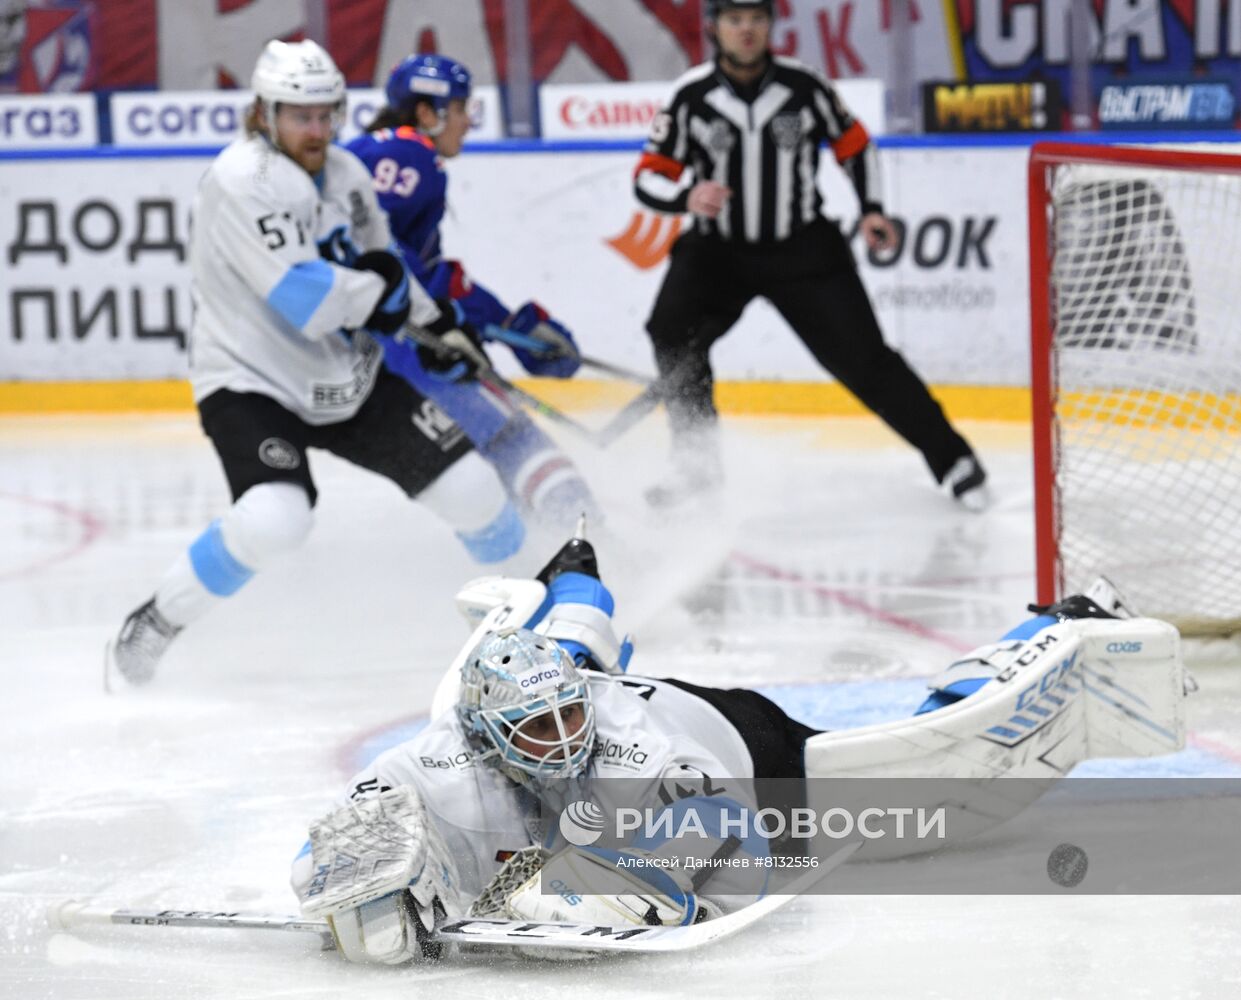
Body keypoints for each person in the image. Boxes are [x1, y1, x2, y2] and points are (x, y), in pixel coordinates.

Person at [290, 531, 1184, 965]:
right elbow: (343, 836)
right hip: (570, 687)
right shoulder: (460, 744)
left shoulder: (634, 750)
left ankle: (1054, 626)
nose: (562, 737)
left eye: (570, 719)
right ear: (490, 734)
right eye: (539, 728)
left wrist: (579, 893)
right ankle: (574, 573)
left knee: (927, 771)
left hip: (743, 744)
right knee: (562, 651)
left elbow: (728, 851)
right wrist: (371, 882)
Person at [104, 40, 525, 689]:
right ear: (264, 113)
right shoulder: (243, 179)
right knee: (277, 518)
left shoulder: (348, 176)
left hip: (346, 379)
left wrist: (437, 327)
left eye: (327, 114)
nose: (318, 130)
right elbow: (305, 299)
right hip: (251, 381)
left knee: (475, 491)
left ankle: (517, 634)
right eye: (301, 116)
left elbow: (386, 264)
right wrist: (380, 296)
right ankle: (155, 622)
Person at [633, 0, 988, 511]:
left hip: (801, 250)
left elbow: (856, 145)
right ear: (714, 28)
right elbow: (648, 174)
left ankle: (953, 460)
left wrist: (870, 209)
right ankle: (697, 466)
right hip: (716, 253)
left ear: (772, 25)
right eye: (734, 20)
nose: (746, 30)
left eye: (756, 18)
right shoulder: (690, 96)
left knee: (866, 360)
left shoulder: (805, 87)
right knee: (671, 330)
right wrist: (684, 197)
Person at [344, 54, 602, 533]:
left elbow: (429, 272)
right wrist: (440, 320)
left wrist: (509, 325)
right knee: (513, 439)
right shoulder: (406, 155)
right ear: (427, 113)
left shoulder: (392, 153)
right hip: (393, 348)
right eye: (460, 107)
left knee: (487, 452)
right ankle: (598, 549)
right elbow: (374, 249)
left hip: (374, 349)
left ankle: (547, 544)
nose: (467, 120)